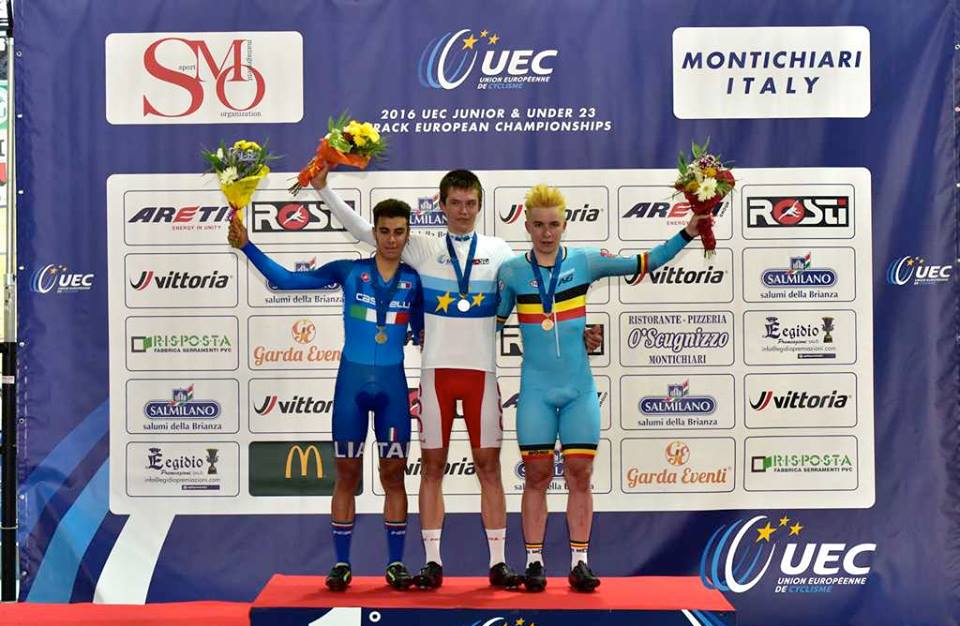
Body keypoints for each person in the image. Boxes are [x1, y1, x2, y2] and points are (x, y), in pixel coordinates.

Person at [311, 165, 549, 589]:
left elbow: (534, 289)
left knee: (489, 467)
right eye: (455, 203)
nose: (463, 211)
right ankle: (433, 561)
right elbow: (365, 230)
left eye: (470, 203)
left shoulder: (499, 250)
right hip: (436, 374)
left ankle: (498, 562)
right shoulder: (421, 246)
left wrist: (574, 329)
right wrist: (324, 190)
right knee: (432, 468)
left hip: (481, 375)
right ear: (441, 206)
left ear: (480, 205)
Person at [495, 184, 707, 592]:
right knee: (536, 475)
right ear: (527, 226)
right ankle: (534, 561)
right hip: (536, 391)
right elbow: (491, 323)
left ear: (565, 225)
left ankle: (580, 562)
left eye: (553, 224)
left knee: (580, 474)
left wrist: (688, 232)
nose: (546, 233)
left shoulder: (585, 261)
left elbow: (645, 261)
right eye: (538, 225)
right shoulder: (512, 271)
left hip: (579, 389)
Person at [227, 199, 424, 591]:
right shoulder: (349, 271)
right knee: (346, 474)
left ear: (408, 234)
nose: (391, 239)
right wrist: (247, 245)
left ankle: (396, 564)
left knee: (394, 475)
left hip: (393, 390)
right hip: (352, 387)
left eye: (399, 232)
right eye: (384, 231)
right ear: (374, 232)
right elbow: (287, 281)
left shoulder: (416, 280)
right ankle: (341, 565)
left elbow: (428, 331)